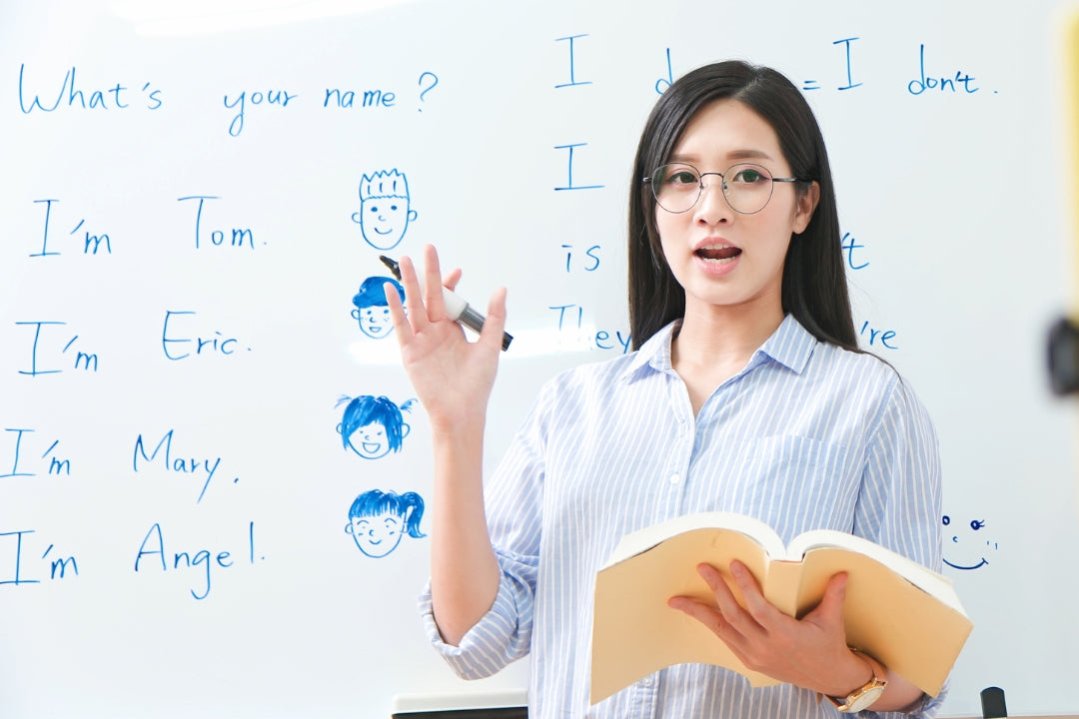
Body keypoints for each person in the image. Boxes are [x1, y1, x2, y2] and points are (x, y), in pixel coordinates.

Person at [385, 60, 944, 718]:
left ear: (802, 204)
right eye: (682, 178)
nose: (712, 208)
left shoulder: (867, 403)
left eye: (748, 177)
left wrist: (830, 667)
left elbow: (918, 677)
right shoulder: (571, 408)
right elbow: (474, 641)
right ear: (652, 209)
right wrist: (454, 425)